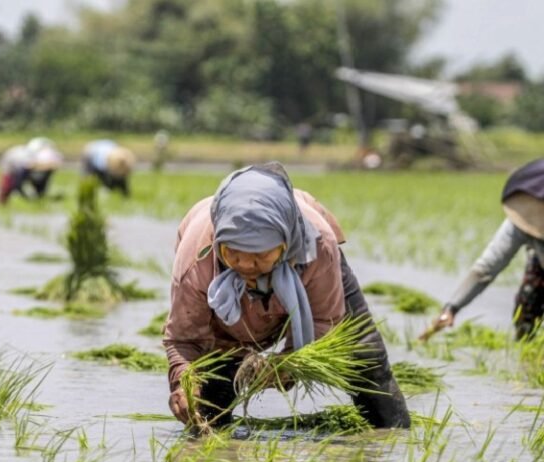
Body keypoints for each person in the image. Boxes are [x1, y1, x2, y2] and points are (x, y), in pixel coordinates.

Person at [164, 162, 410, 429]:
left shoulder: (317, 246)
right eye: (232, 253)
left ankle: (392, 439)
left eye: (259, 254)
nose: (245, 265)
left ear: (284, 245)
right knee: (209, 406)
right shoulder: (197, 261)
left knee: (366, 362)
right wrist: (183, 382)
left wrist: (285, 366)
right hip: (222, 304)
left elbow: (323, 323)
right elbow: (183, 339)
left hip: (311, 274)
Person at [424, 159, 544, 341]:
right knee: (526, 307)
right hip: (538, 259)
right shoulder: (522, 219)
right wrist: (451, 308)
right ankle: (525, 346)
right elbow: (486, 268)